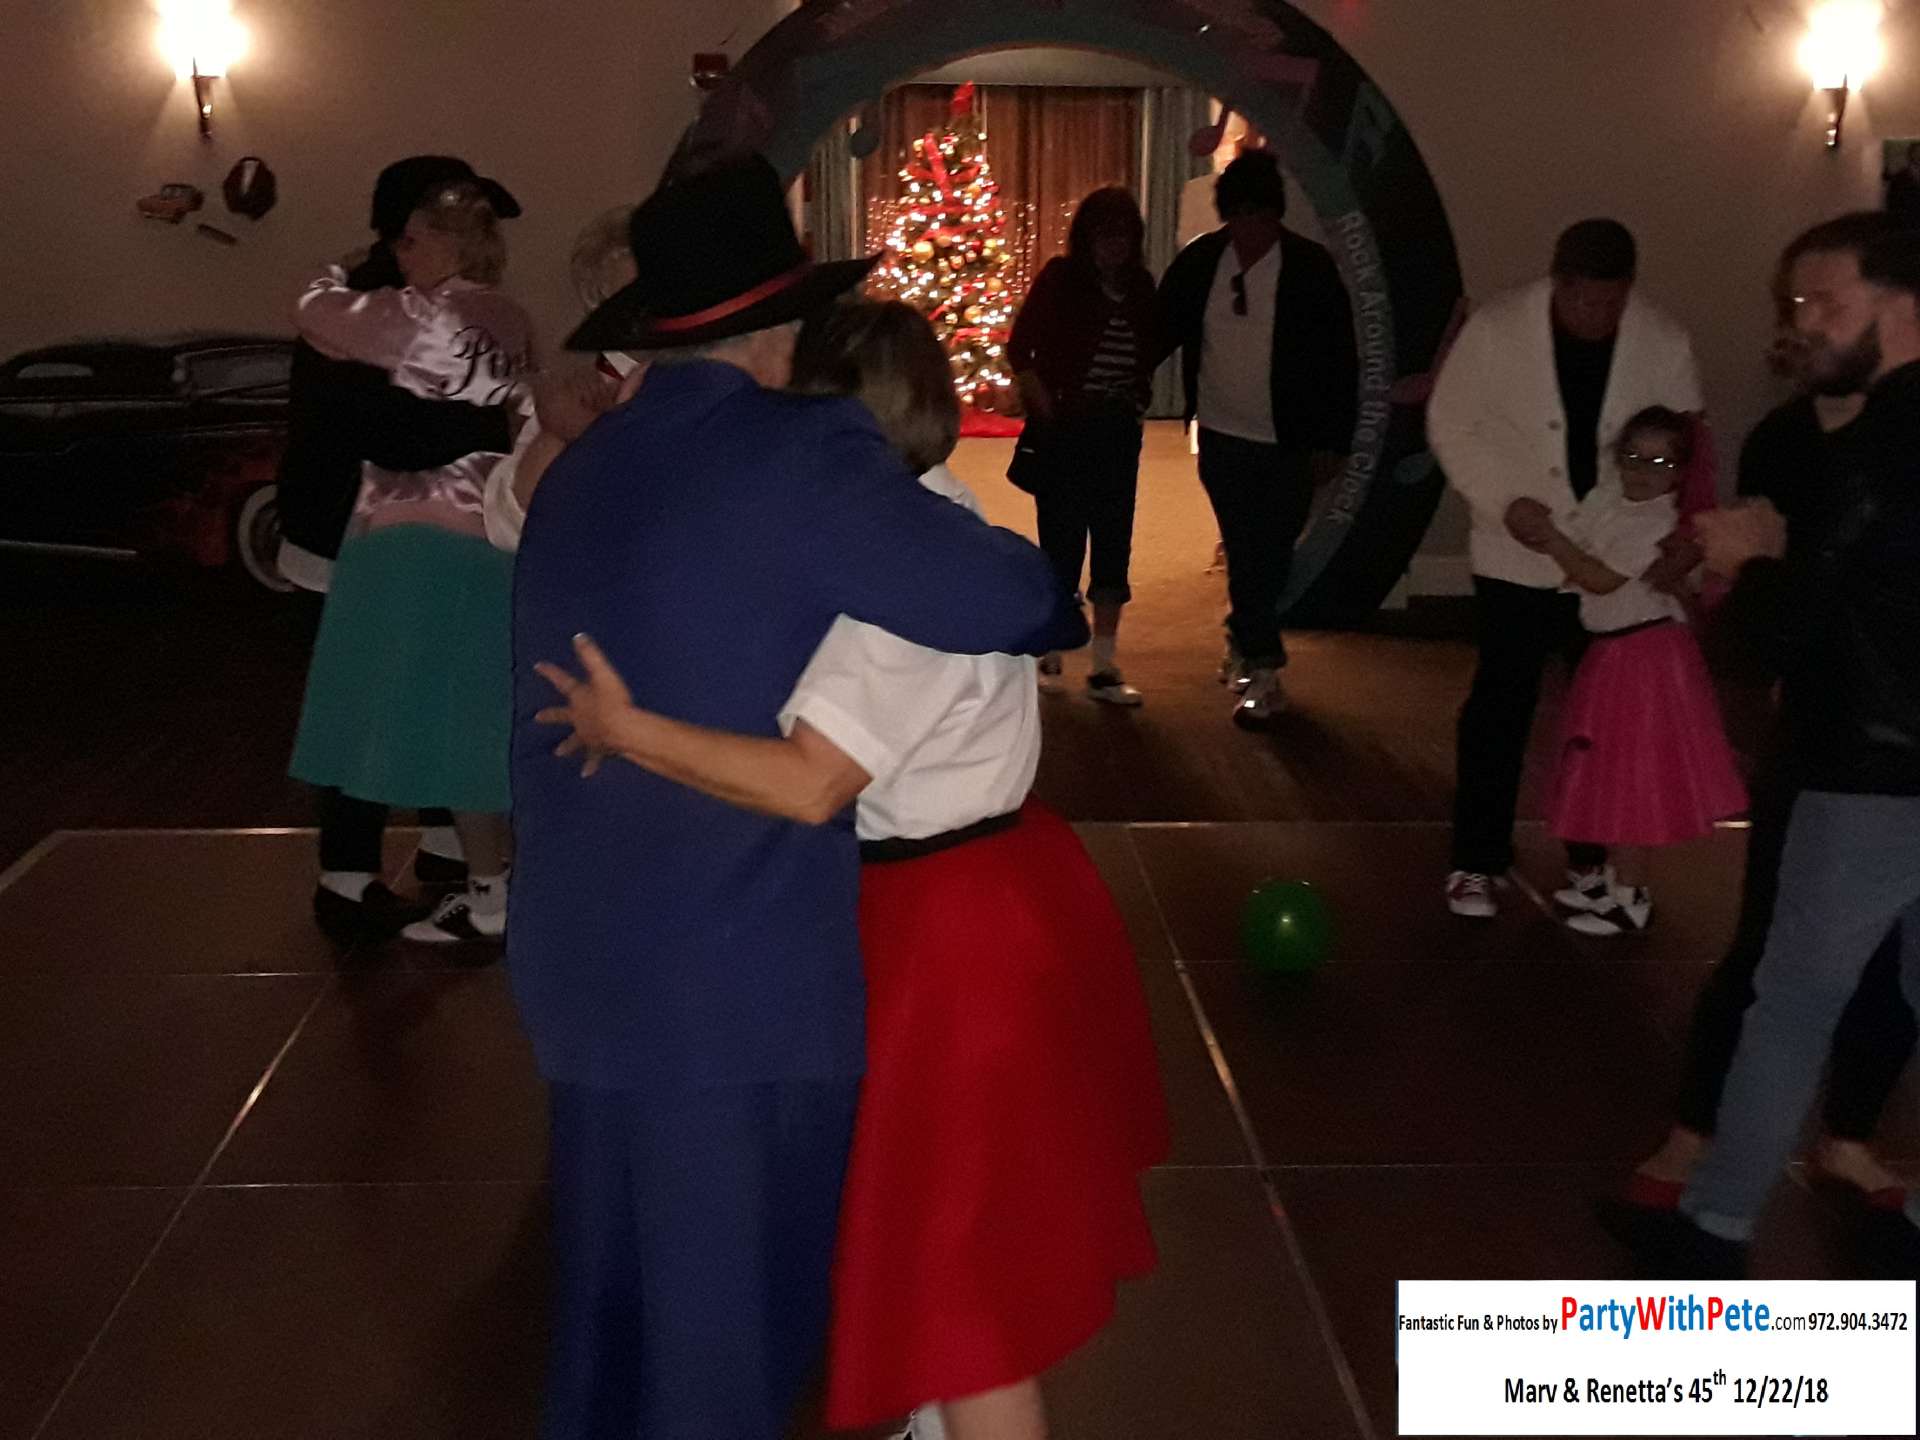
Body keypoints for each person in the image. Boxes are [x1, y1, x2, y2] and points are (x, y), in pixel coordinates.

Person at [506, 156, 1086, 1440]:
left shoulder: (587, 467)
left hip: (579, 962)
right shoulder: (794, 451)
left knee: (608, 1327)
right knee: (723, 1353)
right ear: (784, 329)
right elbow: (1016, 599)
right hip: (733, 984)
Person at [1625, 224, 1920, 1278]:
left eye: (1826, 303)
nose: (1803, 325)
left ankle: (1711, 1231)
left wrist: (1753, 560)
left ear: (1902, 306)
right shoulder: (1834, 442)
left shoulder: (1876, 449)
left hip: (1871, 766)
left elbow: (1774, 639)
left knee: (1791, 1000)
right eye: (1797, 305)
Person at [1430, 218, 1706, 919]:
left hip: (1617, 559)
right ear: (1559, 283)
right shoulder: (1498, 329)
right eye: (1584, 301)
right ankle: (1476, 859)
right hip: (1515, 553)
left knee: (1603, 718)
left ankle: (1595, 859)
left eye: (1613, 303)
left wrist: (1686, 536)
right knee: (1501, 703)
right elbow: (1452, 422)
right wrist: (1502, 500)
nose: (1598, 316)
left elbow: (1691, 446)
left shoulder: (1663, 341)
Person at [275, 155, 520, 944]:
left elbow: (319, 317)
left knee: (394, 695)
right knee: (405, 700)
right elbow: (435, 428)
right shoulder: (461, 314)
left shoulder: (401, 308)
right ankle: (395, 871)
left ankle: (418, 859)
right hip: (414, 534)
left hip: (393, 534)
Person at [1506, 407, 1747, 936]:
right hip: (1617, 653)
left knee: (1630, 777)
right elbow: (1578, 540)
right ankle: (1610, 882)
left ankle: (1630, 894)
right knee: (1602, 768)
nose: (1641, 470)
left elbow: (1599, 578)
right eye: (1633, 457)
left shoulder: (1655, 524)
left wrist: (1549, 538)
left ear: (1680, 472)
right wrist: (1538, 526)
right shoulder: (1610, 502)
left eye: (1659, 462)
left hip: (1645, 659)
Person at [1156, 149, 1357, 728]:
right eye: (1239, 218)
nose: (1250, 231)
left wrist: (1333, 440)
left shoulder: (1310, 269)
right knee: (1247, 548)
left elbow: (1339, 362)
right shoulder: (1203, 263)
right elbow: (1160, 329)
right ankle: (1264, 668)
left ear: (1276, 215)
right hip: (1222, 434)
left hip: (1289, 440)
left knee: (1270, 552)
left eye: (1260, 218)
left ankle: (1243, 637)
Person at [1008, 188, 1159, 705]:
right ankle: (1050, 650)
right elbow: (1020, 347)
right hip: (1066, 428)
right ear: (1087, 237)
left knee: (1114, 541)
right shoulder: (1061, 279)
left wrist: (1137, 399)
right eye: (1104, 233)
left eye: (1124, 234)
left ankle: (1104, 665)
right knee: (1062, 540)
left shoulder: (1141, 287)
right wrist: (1043, 407)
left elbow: (1149, 349)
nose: (1115, 244)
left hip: (1118, 429)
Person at [481, 206, 640, 553]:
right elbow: (507, 525)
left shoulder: (715, 378)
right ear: (600, 304)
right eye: (631, 295)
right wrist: (558, 433)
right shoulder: (575, 392)